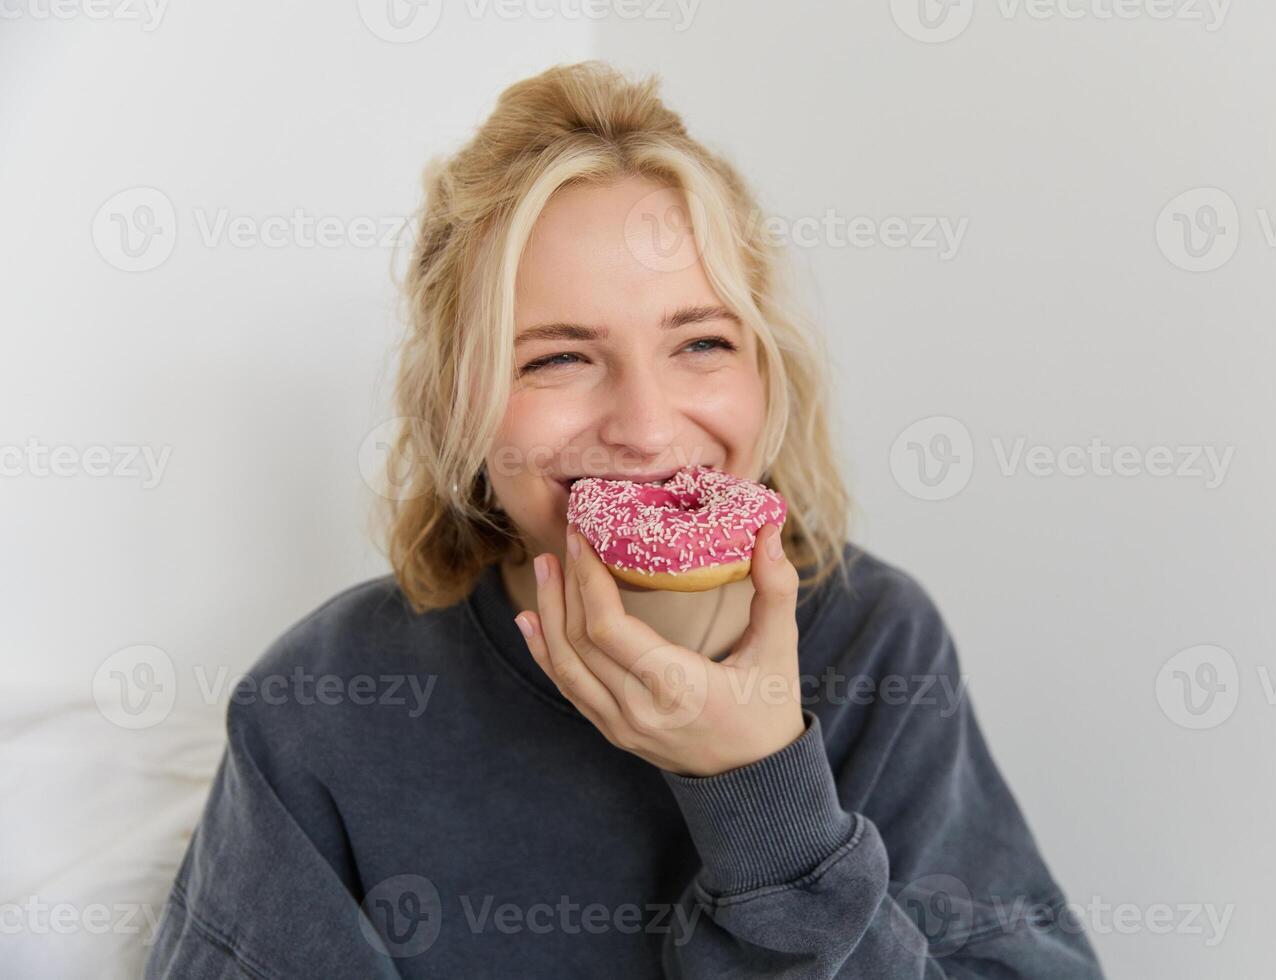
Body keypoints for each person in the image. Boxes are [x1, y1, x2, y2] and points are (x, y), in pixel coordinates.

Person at [145, 60, 1106, 978]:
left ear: (768, 375)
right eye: (557, 359)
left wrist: (762, 791)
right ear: (455, 407)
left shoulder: (878, 643)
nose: (647, 429)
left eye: (701, 341)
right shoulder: (321, 704)